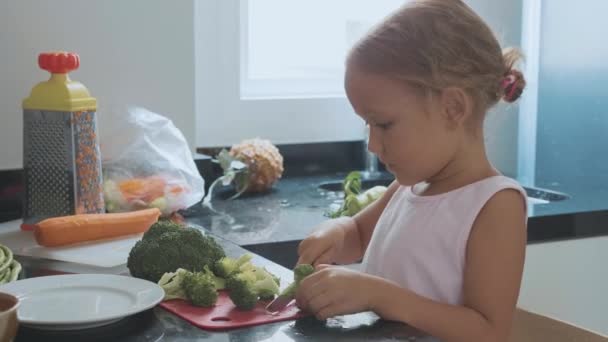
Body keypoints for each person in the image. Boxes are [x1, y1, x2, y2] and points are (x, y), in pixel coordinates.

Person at [295, 0, 528, 341]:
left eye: (384, 124)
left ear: (453, 107)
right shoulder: (408, 188)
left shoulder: (495, 205)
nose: (373, 144)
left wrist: (381, 295)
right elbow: (359, 234)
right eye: (367, 125)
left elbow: (489, 332)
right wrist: (335, 233)